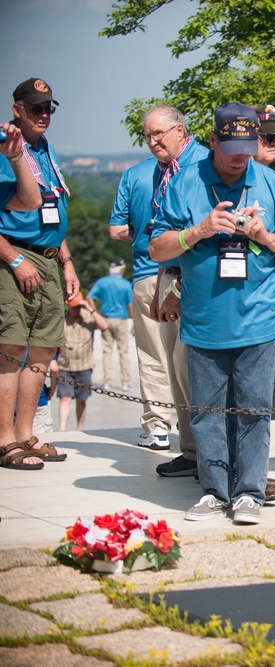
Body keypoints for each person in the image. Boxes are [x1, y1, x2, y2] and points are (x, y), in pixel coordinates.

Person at [149, 102, 275, 524]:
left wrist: (264, 235)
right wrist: (198, 230)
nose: (239, 158)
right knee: (206, 415)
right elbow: (156, 247)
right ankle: (215, 492)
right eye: (230, 147)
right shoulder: (185, 183)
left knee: (255, 411)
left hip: (259, 319)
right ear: (212, 140)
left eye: (248, 147)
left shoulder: (270, 183)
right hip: (204, 321)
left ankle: (250, 492)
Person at [109, 105, 209, 470]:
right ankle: (192, 451)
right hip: (162, 275)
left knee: (189, 365)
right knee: (172, 364)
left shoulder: (199, 166)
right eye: (147, 136)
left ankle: (210, 456)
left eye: (158, 135)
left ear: (180, 131)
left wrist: (178, 286)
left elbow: (198, 232)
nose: (151, 143)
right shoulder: (159, 171)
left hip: (192, 280)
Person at [0, 77, 76, 471]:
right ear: (17, 110)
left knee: (43, 351)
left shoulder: (43, 148)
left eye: (48, 108)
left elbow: (52, 211)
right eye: (35, 108)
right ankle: (5, 440)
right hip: (17, 257)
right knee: (11, 350)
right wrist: (14, 259)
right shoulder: (6, 149)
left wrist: (66, 262)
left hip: (48, 257)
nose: (44, 115)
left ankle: (26, 434)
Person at [57, 294, 108, 431]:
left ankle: (80, 429)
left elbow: (104, 326)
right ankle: (62, 430)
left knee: (81, 399)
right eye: (74, 307)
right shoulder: (61, 319)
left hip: (84, 366)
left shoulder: (88, 317)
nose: (77, 309)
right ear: (68, 305)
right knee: (65, 398)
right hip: (64, 365)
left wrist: (89, 308)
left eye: (79, 306)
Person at [87, 258, 133, 391]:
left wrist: (95, 314)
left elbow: (89, 297)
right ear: (121, 269)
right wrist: (134, 323)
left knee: (107, 352)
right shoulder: (125, 284)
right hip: (121, 320)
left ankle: (107, 382)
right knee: (123, 352)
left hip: (105, 320)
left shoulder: (102, 282)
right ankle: (125, 382)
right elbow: (130, 306)